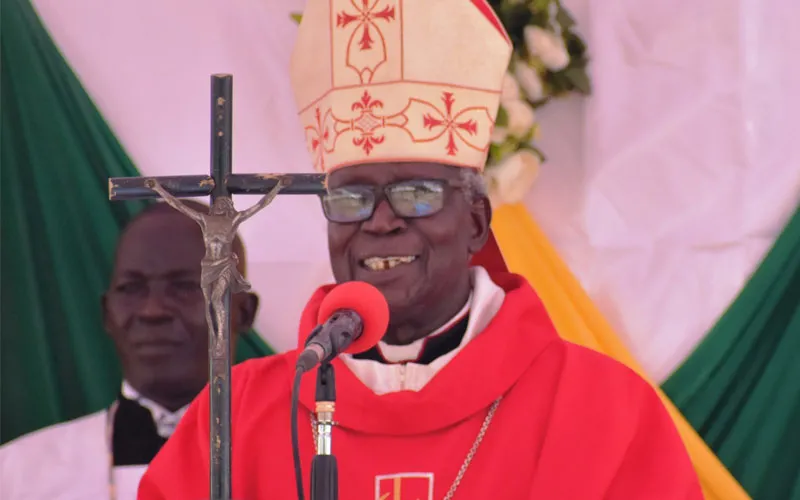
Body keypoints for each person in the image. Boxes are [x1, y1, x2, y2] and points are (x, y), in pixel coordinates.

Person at [138, 1, 704, 498]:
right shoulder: (237, 418)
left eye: (416, 193)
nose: (381, 222)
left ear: (476, 221)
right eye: (351, 197)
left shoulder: (603, 412)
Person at [0, 200, 262, 500]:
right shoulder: (16, 475)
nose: (152, 311)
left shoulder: (303, 460)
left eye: (185, 287)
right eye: (131, 288)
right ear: (106, 313)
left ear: (243, 312)